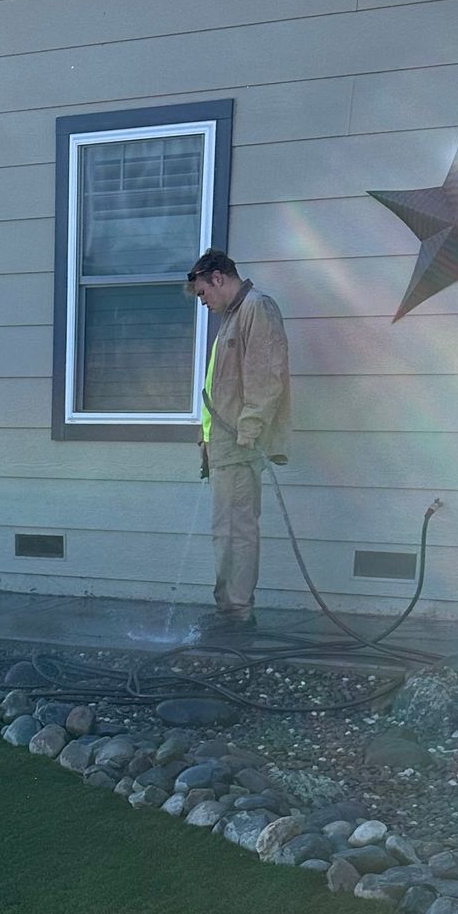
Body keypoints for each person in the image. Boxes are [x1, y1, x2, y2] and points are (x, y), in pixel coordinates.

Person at [187, 249, 291, 641]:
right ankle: (228, 609)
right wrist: (206, 439)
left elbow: (267, 376)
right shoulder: (233, 317)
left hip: (239, 443)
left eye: (202, 293)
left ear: (217, 278)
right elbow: (222, 386)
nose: (203, 302)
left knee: (236, 530)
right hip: (223, 446)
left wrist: (249, 429)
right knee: (224, 530)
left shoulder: (257, 309)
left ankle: (237, 615)